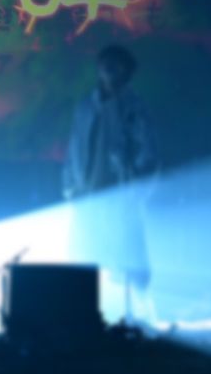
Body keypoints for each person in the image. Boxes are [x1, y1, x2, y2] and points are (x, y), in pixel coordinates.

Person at [62, 44, 159, 322]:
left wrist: (137, 184)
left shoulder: (135, 107)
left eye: (115, 65)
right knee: (85, 251)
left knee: (129, 252)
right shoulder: (86, 107)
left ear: (126, 71)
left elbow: (148, 149)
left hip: (121, 191)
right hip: (88, 190)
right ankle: (81, 315)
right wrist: (70, 185)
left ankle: (142, 314)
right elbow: (74, 146)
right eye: (105, 64)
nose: (108, 70)